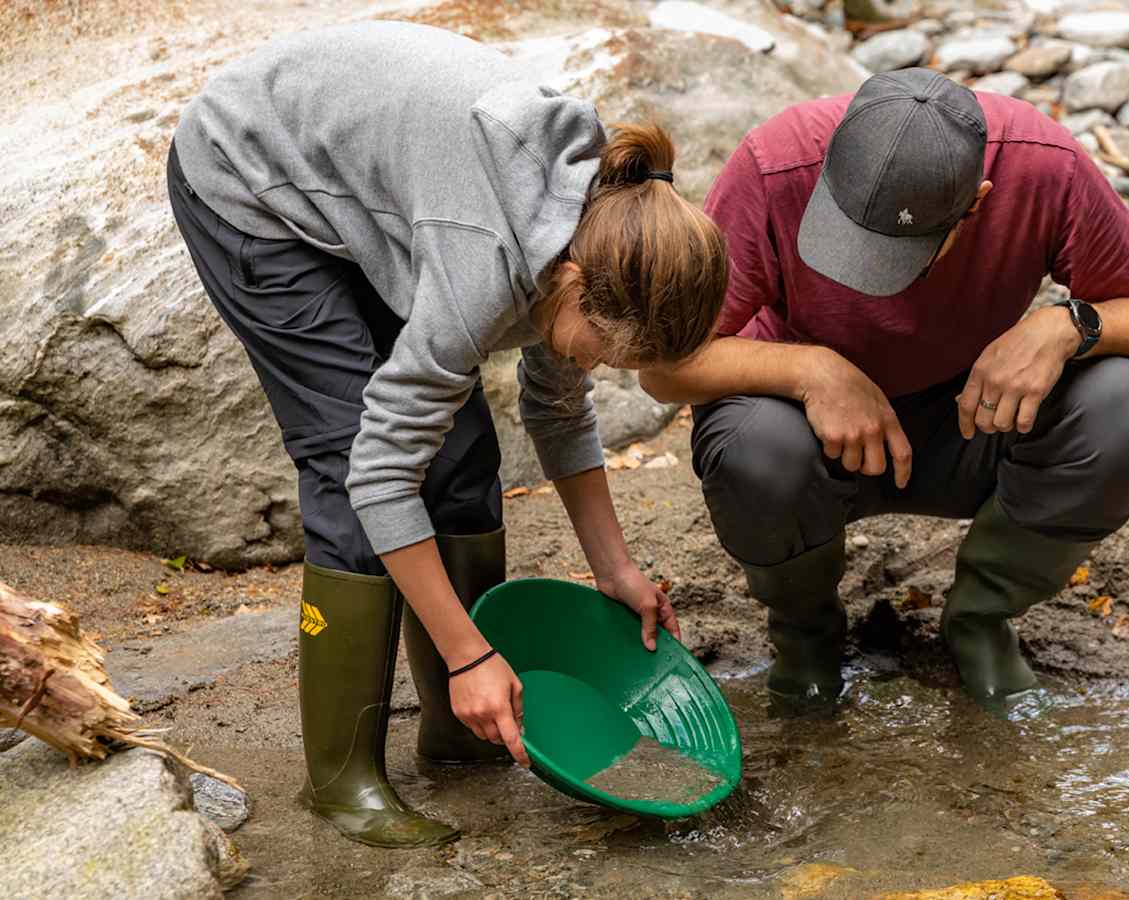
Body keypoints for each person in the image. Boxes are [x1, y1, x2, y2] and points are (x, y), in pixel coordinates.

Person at [167, 21, 727, 848]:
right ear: (568, 281)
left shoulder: (605, 228)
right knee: (348, 459)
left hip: (384, 190)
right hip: (253, 177)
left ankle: (461, 728)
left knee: (464, 457)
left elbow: (560, 407)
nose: (604, 368)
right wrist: (469, 652)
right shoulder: (487, 264)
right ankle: (344, 780)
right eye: (607, 349)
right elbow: (379, 472)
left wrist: (616, 569)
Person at [640, 68, 1129, 706]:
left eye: (899, 252)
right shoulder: (775, 166)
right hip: (805, 437)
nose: (871, 275)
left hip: (971, 423)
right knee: (751, 445)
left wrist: (1068, 325)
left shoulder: (1044, 166)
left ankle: (982, 617)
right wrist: (809, 370)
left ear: (978, 201)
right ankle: (805, 631)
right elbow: (662, 368)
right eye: (848, 239)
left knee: (1121, 405)